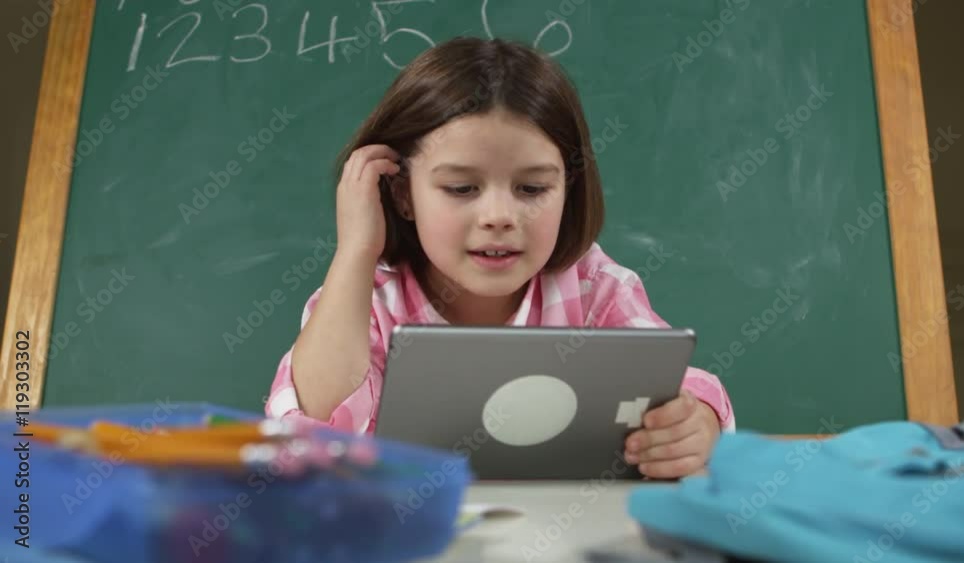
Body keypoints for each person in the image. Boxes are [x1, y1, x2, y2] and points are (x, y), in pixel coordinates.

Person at [265, 37, 735, 479]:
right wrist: (356, 250)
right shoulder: (364, 299)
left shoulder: (596, 287)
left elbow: (676, 386)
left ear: (567, 190)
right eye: (461, 188)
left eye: (532, 189)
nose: (499, 216)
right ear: (403, 194)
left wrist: (697, 424)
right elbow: (310, 426)